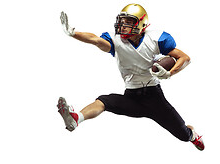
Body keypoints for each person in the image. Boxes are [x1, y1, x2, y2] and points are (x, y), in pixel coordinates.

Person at [57, 3, 204, 151]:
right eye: (122, 21)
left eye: (129, 22)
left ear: (142, 24)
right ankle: (76, 119)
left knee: (183, 134)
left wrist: (170, 73)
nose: (123, 25)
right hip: (131, 97)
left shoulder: (155, 39)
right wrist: (73, 33)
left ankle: (192, 135)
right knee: (103, 101)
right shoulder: (116, 41)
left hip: (154, 97)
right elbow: (96, 40)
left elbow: (185, 58)